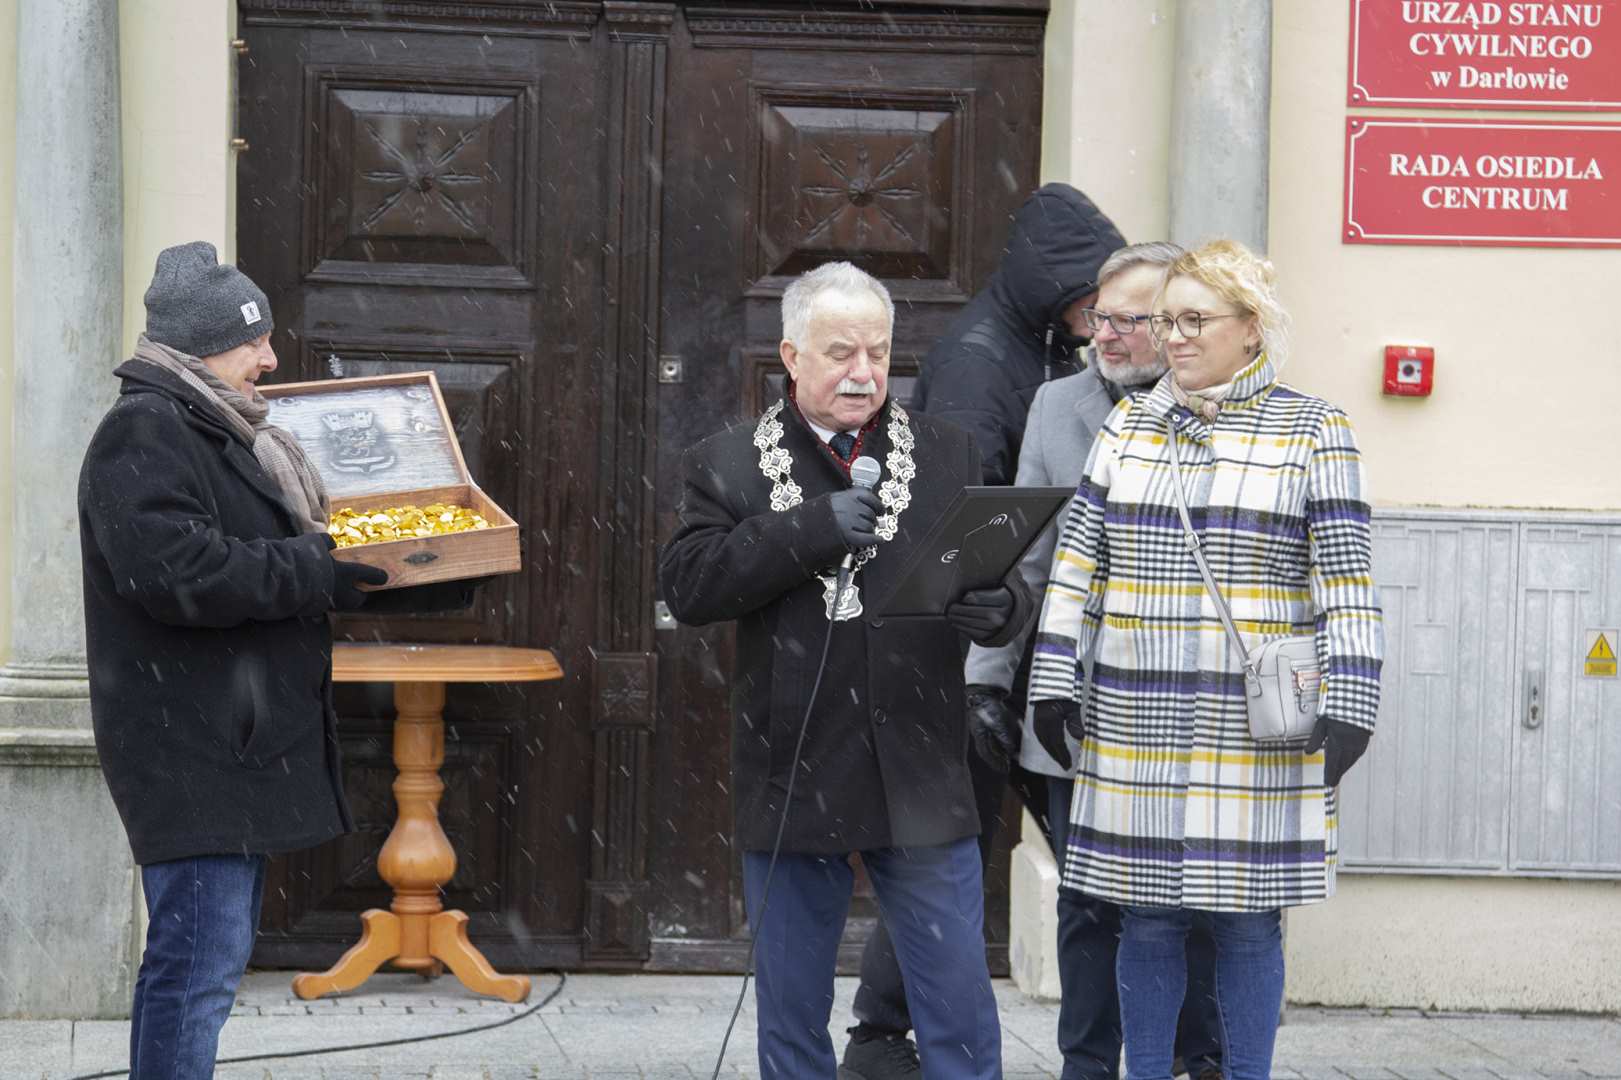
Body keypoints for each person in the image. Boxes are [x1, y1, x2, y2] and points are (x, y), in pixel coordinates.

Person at [659, 260, 1030, 1079]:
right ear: (792, 356)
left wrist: (1000, 610)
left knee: (957, 999)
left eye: (878, 352)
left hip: (919, 760)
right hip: (797, 760)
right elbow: (689, 588)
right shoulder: (727, 462)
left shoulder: (949, 451)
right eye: (839, 353)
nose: (863, 373)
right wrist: (808, 529)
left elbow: (994, 575)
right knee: (792, 1007)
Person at [1028, 239, 1384, 1080]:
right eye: (1166, 321)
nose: (1174, 338)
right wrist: (1051, 678)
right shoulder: (1128, 425)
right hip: (1134, 711)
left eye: (1195, 320)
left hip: (1253, 724)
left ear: (1250, 326)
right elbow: (1078, 563)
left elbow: (1344, 580)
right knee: (1146, 918)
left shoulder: (1314, 429)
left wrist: (1352, 700)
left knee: (1248, 924)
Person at [79, 241, 392, 1079]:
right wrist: (313, 570)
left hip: (226, 748)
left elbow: (245, 559)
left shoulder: (213, 428)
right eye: (254, 341)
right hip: (188, 749)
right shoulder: (144, 429)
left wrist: (402, 574)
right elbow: (173, 573)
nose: (270, 359)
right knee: (195, 971)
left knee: (204, 966)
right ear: (205, 346)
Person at [838, 182, 1122, 1079]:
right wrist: (982, 659)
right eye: (1093, 297)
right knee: (949, 853)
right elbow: (965, 509)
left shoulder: (1032, 344)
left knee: (955, 849)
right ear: (1056, 284)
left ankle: (882, 1037)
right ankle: (882, 1038)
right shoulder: (979, 358)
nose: (1102, 317)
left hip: (1000, 638)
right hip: (975, 646)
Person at [962, 242, 1225, 1080]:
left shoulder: (1229, 410)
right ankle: (1085, 1062)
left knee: (1195, 899)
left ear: (1178, 324)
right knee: (1086, 899)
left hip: (1193, 706)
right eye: (1097, 318)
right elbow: (1028, 562)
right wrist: (983, 682)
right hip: (1077, 705)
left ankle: (1198, 1056)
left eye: (1125, 320)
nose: (1101, 335)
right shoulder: (1057, 403)